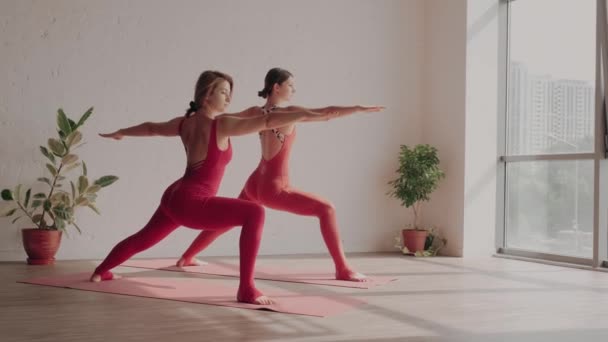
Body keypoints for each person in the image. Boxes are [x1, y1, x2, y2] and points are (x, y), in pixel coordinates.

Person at [90, 70, 327, 304]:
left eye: (229, 92)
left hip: (175, 195)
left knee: (143, 238)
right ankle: (247, 289)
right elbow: (265, 121)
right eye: (223, 92)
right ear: (206, 95)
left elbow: (152, 128)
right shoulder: (220, 125)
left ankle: (102, 270)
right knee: (254, 212)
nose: (228, 98)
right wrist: (308, 115)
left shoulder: (184, 123)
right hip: (192, 201)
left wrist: (122, 132)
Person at [178, 68, 384, 282]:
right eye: (290, 85)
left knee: (228, 221)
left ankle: (188, 256)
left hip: (255, 181)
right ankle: (343, 269)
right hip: (274, 187)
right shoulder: (288, 113)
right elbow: (327, 112)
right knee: (327, 209)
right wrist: (357, 108)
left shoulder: (254, 112)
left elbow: (217, 120)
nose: (293, 90)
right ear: (276, 87)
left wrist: (193, 119)